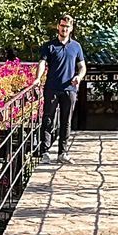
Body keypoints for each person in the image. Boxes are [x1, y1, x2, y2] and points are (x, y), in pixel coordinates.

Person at [34, 14, 86, 162]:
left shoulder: (76, 46)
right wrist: (38, 78)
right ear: (58, 27)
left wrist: (79, 76)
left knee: (66, 121)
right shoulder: (49, 46)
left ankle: (63, 153)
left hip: (69, 89)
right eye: (62, 26)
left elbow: (82, 66)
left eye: (67, 26)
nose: (64, 29)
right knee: (48, 119)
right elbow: (42, 63)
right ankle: (45, 152)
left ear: (71, 28)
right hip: (52, 87)